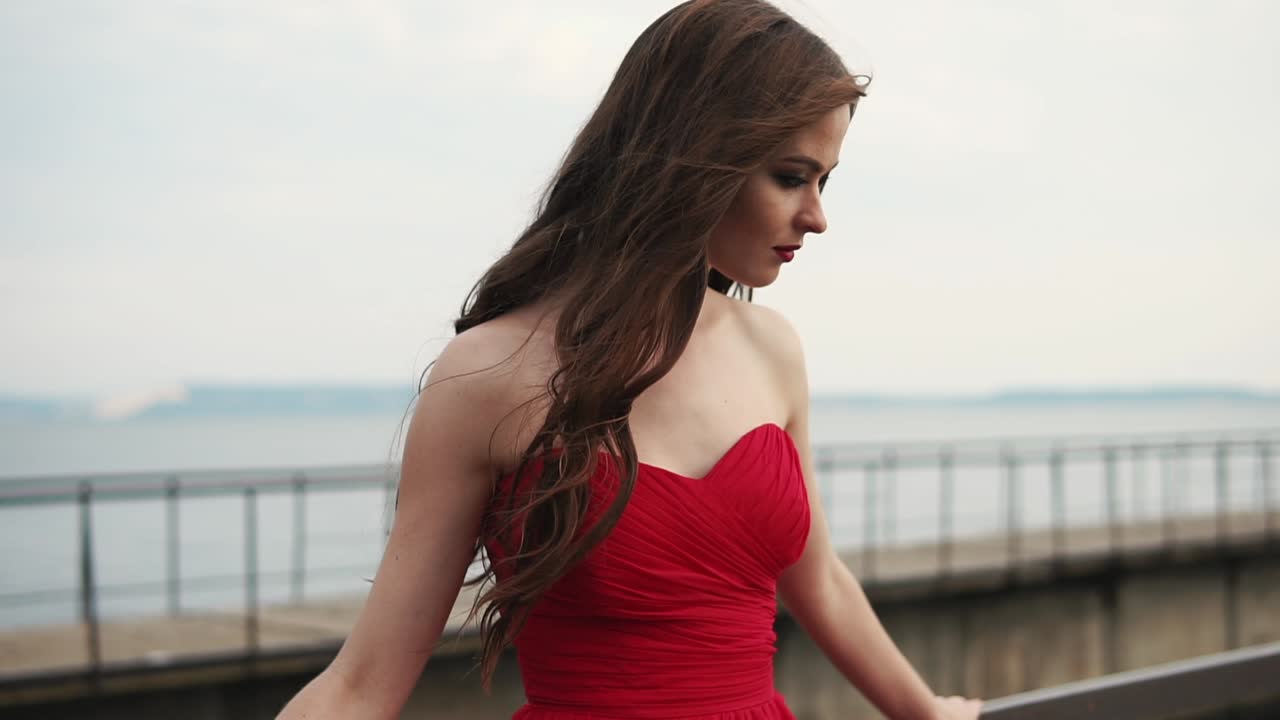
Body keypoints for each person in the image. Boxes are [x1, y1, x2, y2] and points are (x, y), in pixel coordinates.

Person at [278, 1, 983, 718]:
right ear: (698, 157)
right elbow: (363, 683)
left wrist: (927, 711)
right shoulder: (489, 374)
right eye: (790, 176)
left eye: (824, 181)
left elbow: (820, 581)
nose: (817, 215)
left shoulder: (772, 348)